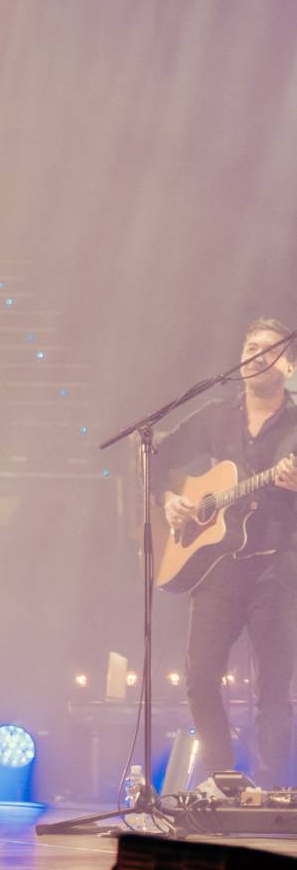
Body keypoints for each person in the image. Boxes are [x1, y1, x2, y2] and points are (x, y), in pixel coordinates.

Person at [153, 318, 297, 786]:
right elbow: (156, 455)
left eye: (268, 349)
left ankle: (274, 791)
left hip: (276, 567)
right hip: (217, 570)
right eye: (250, 345)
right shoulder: (218, 413)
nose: (256, 354)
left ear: (289, 365)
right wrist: (169, 500)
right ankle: (222, 778)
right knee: (199, 681)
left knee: (274, 688)